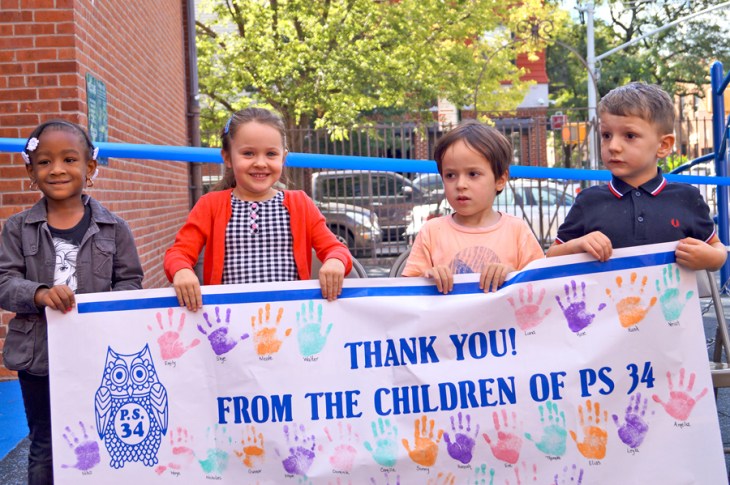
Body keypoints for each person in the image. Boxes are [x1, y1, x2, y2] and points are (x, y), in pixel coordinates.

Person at [0, 120, 144, 485]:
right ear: (30, 171)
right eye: (44, 162)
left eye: (68, 159)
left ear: (89, 167)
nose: (57, 169)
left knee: (100, 435)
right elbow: (4, 282)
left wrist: (103, 310)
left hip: (100, 357)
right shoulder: (16, 228)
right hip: (39, 359)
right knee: (45, 443)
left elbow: (130, 282)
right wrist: (40, 293)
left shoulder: (115, 228)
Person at [164, 107, 352, 310]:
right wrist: (182, 271)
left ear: (283, 157)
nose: (260, 163)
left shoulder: (301, 203)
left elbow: (335, 249)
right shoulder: (209, 205)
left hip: (288, 317)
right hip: (231, 318)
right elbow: (178, 253)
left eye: (271, 154)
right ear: (227, 157)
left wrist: (335, 262)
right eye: (248, 153)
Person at [546, 82, 727, 271]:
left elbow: (716, 247)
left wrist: (712, 258)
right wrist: (577, 245)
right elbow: (551, 256)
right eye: (606, 135)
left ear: (663, 145)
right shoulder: (588, 201)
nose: (613, 146)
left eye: (630, 136)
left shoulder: (687, 198)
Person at [402, 120, 544, 293]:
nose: (460, 184)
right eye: (450, 175)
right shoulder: (431, 232)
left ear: (500, 179)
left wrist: (513, 276)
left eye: (473, 174)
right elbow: (407, 292)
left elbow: (541, 285)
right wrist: (426, 278)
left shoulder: (517, 231)